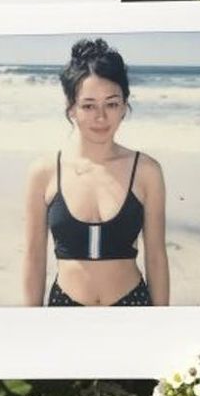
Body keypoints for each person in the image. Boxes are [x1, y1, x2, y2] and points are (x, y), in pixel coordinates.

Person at [23, 38, 170, 307]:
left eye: (111, 104)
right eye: (88, 105)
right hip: (65, 309)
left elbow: (156, 258)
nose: (101, 117)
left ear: (124, 106)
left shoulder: (147, 171)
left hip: (132, 307)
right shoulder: (44, 172)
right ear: (71, 108)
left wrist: (162, 322)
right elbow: (34, 259)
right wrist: (30, 322)